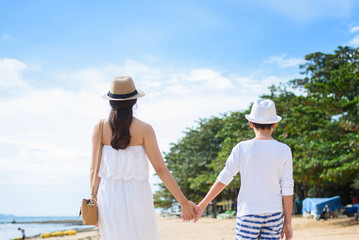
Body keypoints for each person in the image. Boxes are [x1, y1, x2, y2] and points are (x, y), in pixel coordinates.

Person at [90, 76, 198, 240]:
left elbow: (94, 170)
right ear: (134, 101)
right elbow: (160, 169)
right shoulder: (145, 129)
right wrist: (183, 202)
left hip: (108, 195)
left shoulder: (99, 128)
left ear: (111, 101)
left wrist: (94, 202)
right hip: (138, 194)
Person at [194, 99, 294, 240]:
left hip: (248, 213)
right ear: (275, 124)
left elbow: (225, 177)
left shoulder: (241, 148)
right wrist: (288, 222)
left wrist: (202, 205)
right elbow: (287, 187)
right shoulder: (284, 150)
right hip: (274, 213)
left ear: (251, 123)